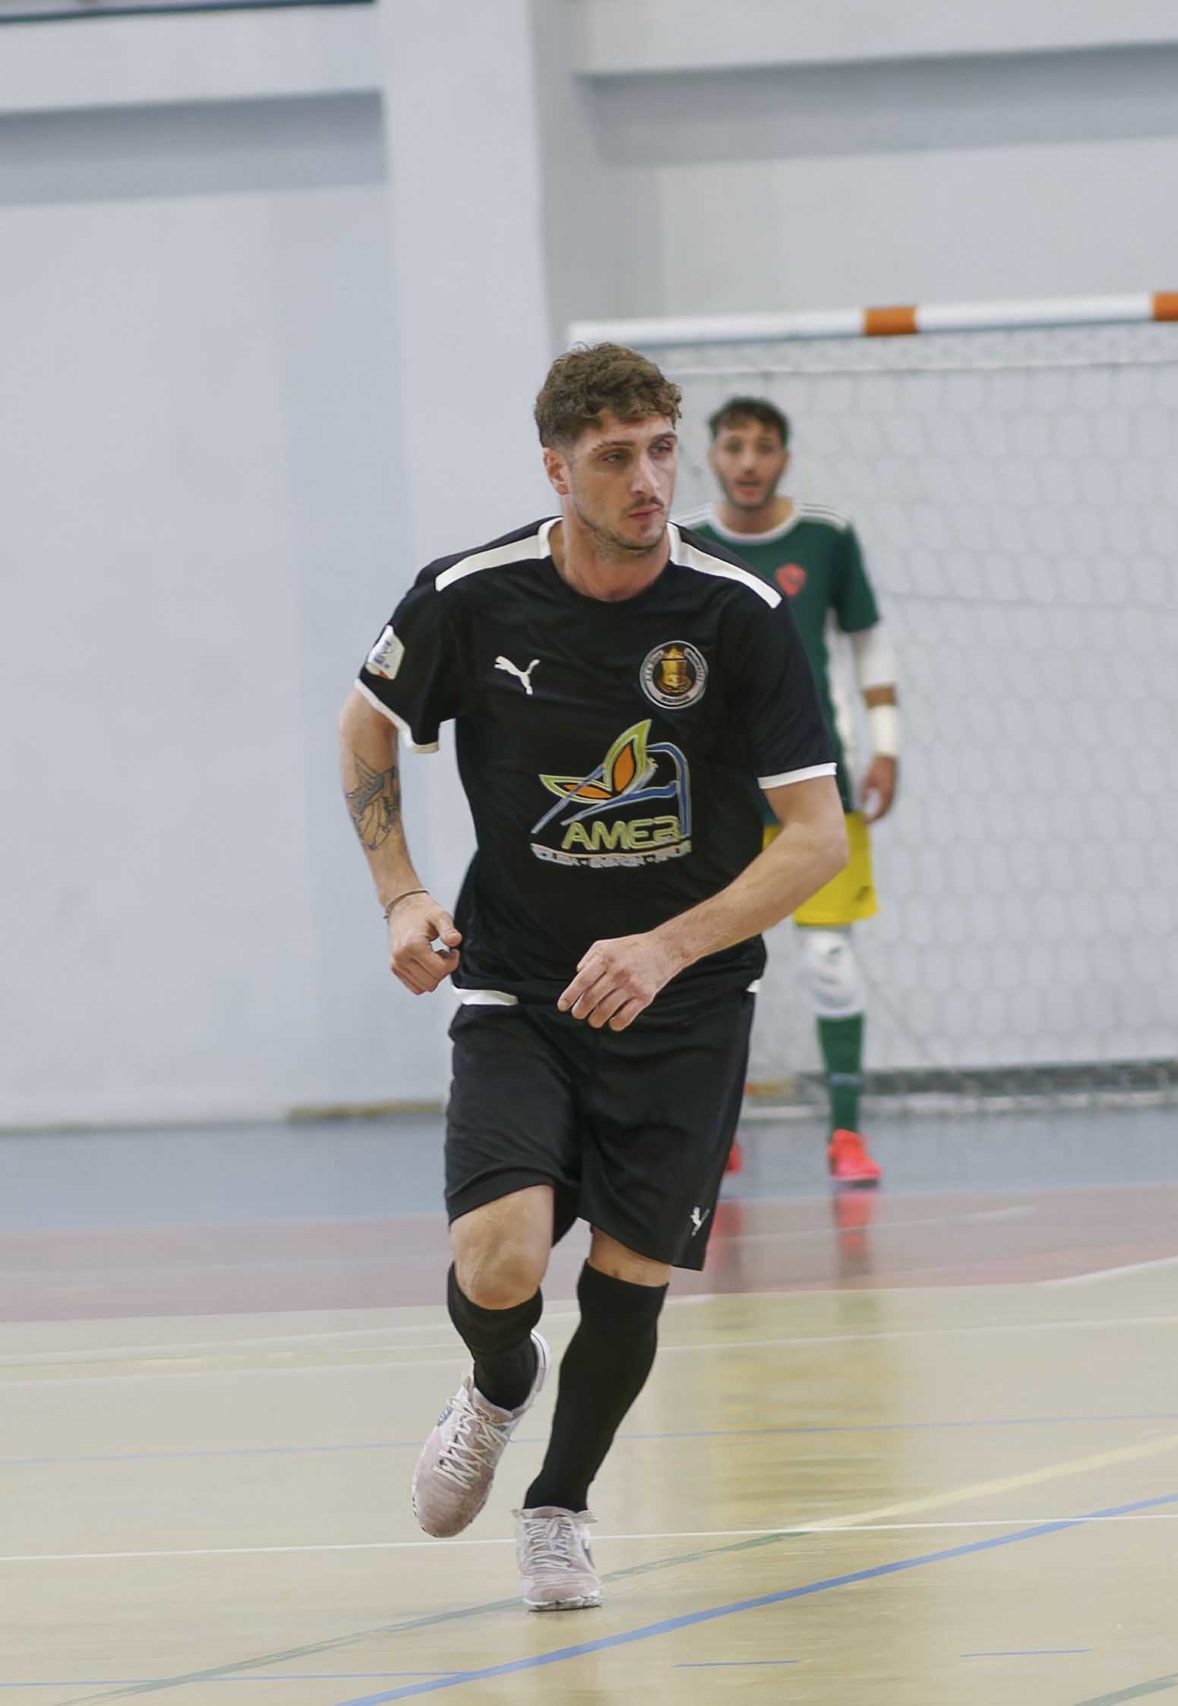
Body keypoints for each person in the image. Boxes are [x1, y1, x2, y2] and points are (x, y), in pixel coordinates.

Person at [336, 344, 845, 1611]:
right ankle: (497, 1384)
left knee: (628, 1278)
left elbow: (816, 840)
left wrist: (668, 945)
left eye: (661, 449)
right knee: (498, 1258)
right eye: (616, 457)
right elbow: (366, 724)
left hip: (686, 1002)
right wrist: (401, 893)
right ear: (557, 470)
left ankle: (556, 1507)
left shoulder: (738, 613)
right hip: (521, 983)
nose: (648, 480)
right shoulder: (471, 595)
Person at [680, 397, 899, 1187]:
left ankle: (846, 1133)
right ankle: (718, 1132)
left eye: (764, 447)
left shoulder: (825, 538)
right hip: (717, 792)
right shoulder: (681, 542)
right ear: (711, 455)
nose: (748, 462)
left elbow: (867, 641)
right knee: (711, 962)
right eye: (734, 446)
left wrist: (886, 746)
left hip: (815, 784)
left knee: (829, 960)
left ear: (784, 457)